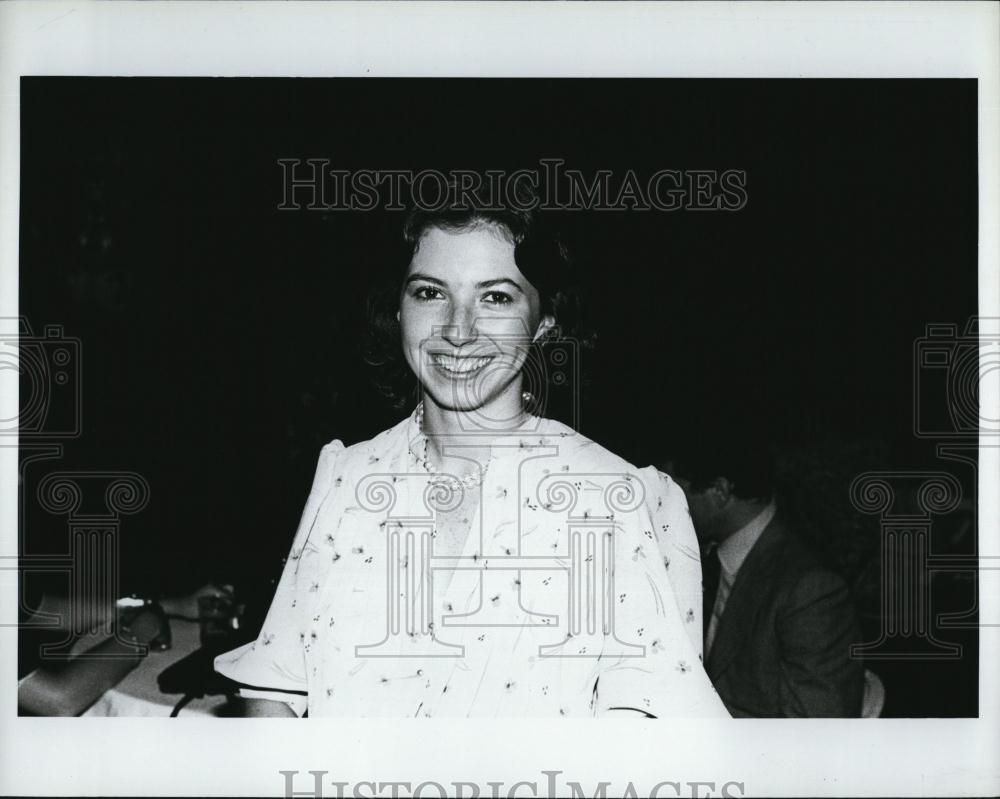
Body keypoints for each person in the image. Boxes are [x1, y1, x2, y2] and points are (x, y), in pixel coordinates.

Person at [215, 190, 728, 718]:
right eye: (431, 292)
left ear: (545, 321)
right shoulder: (346, 477)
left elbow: (651, 729)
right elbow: (276, 686)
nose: (458, 331)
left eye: (496, 297)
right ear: (397, 309)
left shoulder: (614, 497)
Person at [669, 420, 865, 717]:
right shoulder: (707, 557)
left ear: (719, 492)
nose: (665, 505)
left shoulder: (810, 589)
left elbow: (818, 729)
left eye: (674, 492)